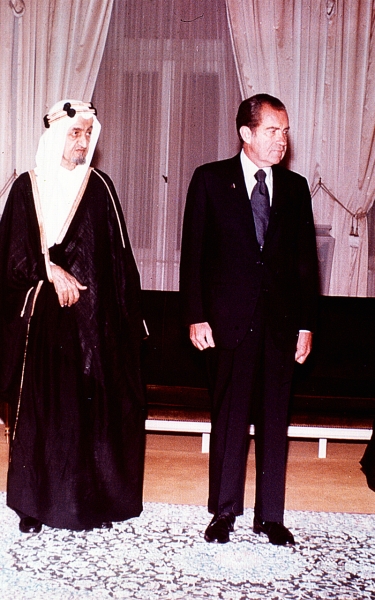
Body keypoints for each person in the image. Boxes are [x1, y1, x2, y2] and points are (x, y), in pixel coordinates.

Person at [0, 100, 146, 533]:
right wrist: (50, 270)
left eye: (87, 133)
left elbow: (119, 260)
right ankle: (34, 506)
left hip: (94, 324)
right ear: (55, 136)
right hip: (43, 324)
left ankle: (92, 502)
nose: (82, 142)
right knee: (44, 412)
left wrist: (127, 320)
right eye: (74, 133)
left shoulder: (100, 186)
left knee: (91, 411)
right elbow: (8, 255)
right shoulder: (27, 187)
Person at [180, 94, 319, 546]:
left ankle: (270, 516)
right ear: (246, 133)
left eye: (285, 132)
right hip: (228, 324)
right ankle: (223, 512)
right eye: (272, 131)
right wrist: (196, 316)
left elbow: (305, 265)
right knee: (230, 419)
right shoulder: (210, 180)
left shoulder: (296, 189)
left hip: (280, 326)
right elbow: (194, 256)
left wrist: (305, 325)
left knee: (275, 421)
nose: (282, 140)